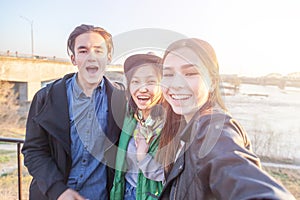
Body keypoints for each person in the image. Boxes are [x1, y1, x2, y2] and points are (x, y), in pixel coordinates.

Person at [156, 38, 296, 199]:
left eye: (191, 73)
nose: (176, 84)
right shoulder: (183, 127)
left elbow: (237, 172)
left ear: (213, 82)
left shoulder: (213, 128)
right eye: (168, 74)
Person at [22, 24, 126, 200]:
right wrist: (59, 191)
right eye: (83, 51)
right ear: (73, 58)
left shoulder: (121, 101)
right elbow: (33, 151)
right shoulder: (45, 98)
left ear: (108, 57)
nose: (91, 57)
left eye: (98, 50)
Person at [110, 53, 165, 200]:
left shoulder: (171, 124)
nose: (142, 89)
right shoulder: (131, 116)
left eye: (151, 82)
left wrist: (143, 158)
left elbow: (174, 176)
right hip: (125, 192)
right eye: (135, 82)